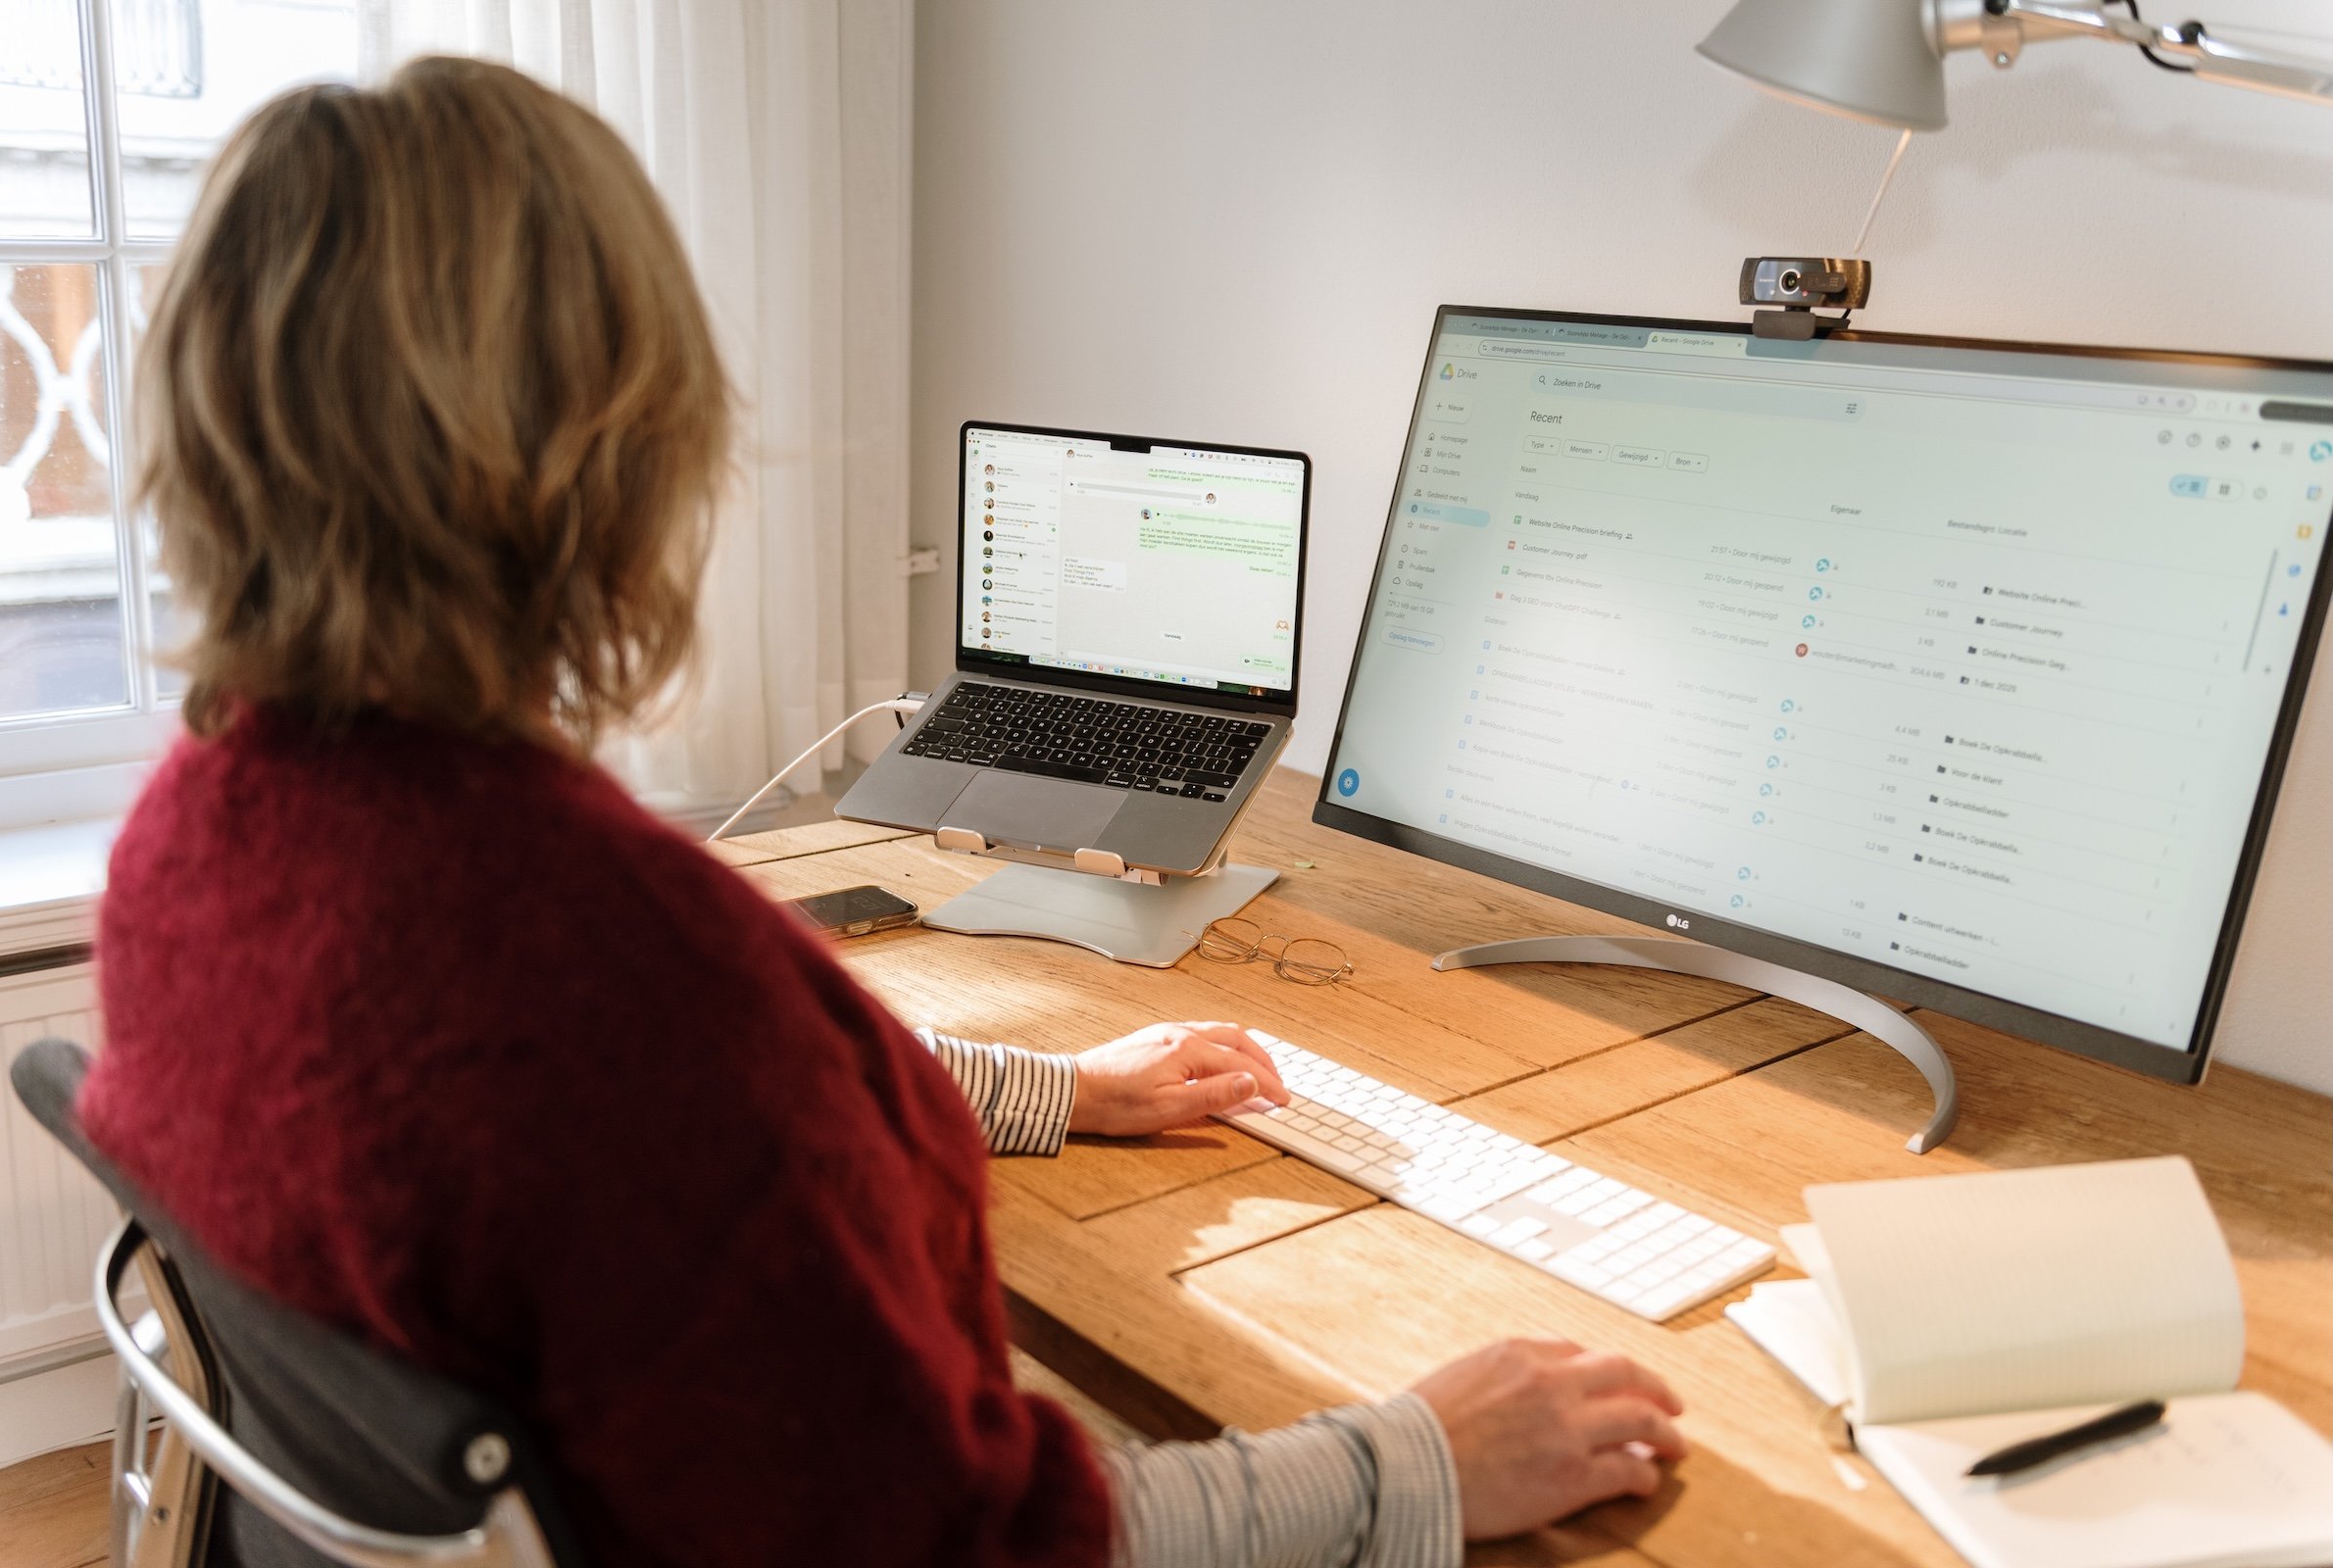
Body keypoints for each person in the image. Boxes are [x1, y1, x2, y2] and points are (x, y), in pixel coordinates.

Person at [80, 57, 1686, 1568]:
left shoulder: (200, 834)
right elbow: (970, 1545)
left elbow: (601, 1142)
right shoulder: (623, 976)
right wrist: (1420, 1457)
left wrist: (1041, 1088)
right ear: (616, 446)